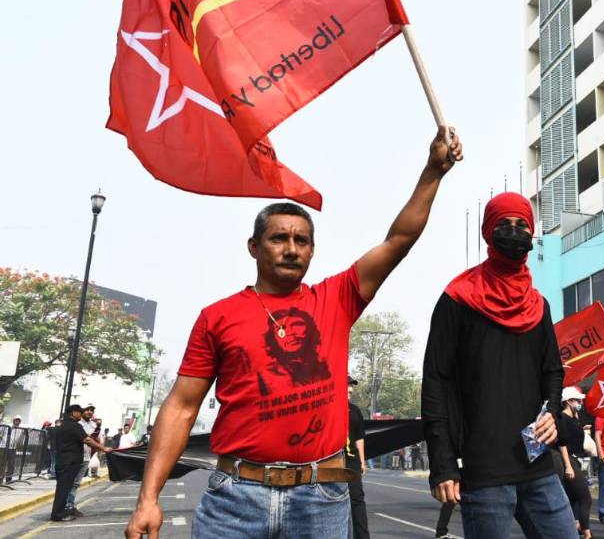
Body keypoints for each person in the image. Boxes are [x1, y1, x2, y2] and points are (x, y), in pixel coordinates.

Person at [123, 127, 463, 539]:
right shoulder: (218, 316)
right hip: (235, 499)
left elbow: (399, 239)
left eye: (302, 240)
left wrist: (432, 172)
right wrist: (148, 499)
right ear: (254, 246)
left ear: (312, 251)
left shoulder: (336, 299)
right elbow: (180, 407)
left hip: (320, 501)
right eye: (279, 238)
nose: (291, 248)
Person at [421, 192, 575, 539]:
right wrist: (442, 463)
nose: (513, 231)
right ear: (487, 231)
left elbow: (552, 370)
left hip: (537, 464)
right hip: (483, 471)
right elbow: (436, 383)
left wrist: (551, 411)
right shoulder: (457, 299)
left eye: (522, 225)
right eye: (504, 224)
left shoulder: (538, 306)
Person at [50, 405, 112, 522]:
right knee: (64, 488)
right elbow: (87, 440)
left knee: (64, 488)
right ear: (73, 413)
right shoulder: (75, 426)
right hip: (69, 462)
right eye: (79, 412)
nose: (81, 414)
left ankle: (61, 511)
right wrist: (103, 448)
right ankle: (57, 514)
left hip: (63, 460)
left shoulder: (62, 425)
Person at [557, 386, 594, 539]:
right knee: (586, 498)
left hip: (577, 460)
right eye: (577, 400)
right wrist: (567, 466)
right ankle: (587, 535)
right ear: (568, 401)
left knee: (572, 498)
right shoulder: (563, 419)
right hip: (570, 460)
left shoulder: (574, 417)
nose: (580, 402)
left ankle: (572, 529)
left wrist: (583, 428)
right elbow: (562, 444)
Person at [347, 376, 369, 539]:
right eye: (347, 385)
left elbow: (360, 437)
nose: (350, 389)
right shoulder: (328, 408)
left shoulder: (355, 411)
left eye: (351, 386)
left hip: (352, 461)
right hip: (332, 462)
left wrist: (362, 461)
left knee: (357, 500)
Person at [67, 403, 98, 516]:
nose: (89, 412)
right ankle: (66, 506)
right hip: (75, 457)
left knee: (75, 483)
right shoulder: (77, 424)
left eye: (92, 410)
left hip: (86, 457)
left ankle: (70, 505)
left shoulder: (94, 425)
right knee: (69, 482)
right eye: (87, 410)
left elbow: (96, 439)